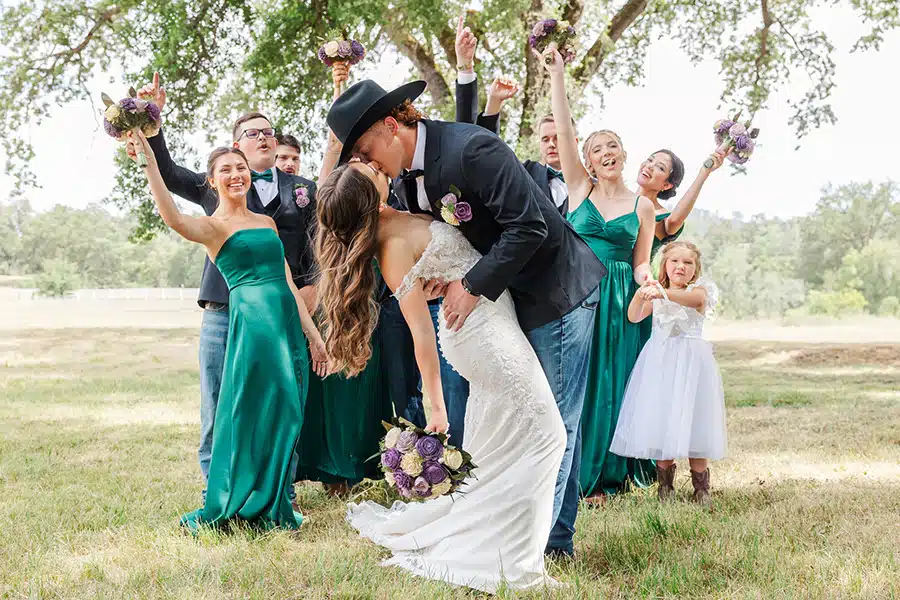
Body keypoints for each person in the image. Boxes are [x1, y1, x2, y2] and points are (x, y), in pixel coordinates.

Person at [325, 73, 605, 562]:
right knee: (533, 421)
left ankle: (548, 546)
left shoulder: (471, 149)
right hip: (502, 305)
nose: (366, 165)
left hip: (554, 291)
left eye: (366, 152)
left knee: (557, 420)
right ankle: (529, 540)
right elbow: (439, 241)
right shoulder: (402, 185)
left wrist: (471, 283)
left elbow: (530, 225)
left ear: (392, 126)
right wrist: (438, 272)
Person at [316, 160, 565, 593]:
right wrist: (435, 403)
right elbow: (420, 330)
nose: (371, 163)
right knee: (548, 435)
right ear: (370, 198)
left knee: (496, 445)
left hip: (493, 316)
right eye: (365, 169)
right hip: (479, 335)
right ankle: (517, 560)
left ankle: (493, 544)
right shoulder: (391, 246)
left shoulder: (401, 209)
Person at [129, 74, 319, 506]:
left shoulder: (301, 190)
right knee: (217, 405)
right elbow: (171, 182)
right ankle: (216, 487)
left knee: (278, 401)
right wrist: (151, 136)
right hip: (222, 310)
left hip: (276, 316)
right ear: (235, 146)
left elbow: (312, 253)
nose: (264, 138)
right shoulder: (214, 185)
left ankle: (278, 489)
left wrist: (312, 300)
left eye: (270, 131)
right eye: (253, 133)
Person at [538, 46, 657, 504]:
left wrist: (647, 281)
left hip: (625, 299)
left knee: (619, 378)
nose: (605, 152)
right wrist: (558, 78)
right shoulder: (579, 189)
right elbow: (564, 131)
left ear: (624, 154)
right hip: (580, 291)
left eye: (612, 146)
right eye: (597, 148)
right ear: (587, 161)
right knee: (580, 380)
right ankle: (578, 473)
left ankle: (615, 473)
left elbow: (643, 257)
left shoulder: (643, 205)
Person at [611, 241, 726, 506]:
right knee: (663, 419)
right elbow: (634, 317)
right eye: (674, 261)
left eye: (688, 263)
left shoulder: (700, 290)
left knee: (697, 420)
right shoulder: (655, 293)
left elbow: (695, 301)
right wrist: (641, 295)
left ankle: (701, 488)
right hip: (660, 362)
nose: (681, 266)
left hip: (693, 363)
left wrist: (660, 292)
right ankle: (665, 486)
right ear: (665, 265)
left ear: (695, 269)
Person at [636, 148, 725, 259]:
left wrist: (704, 172)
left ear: (667, 185)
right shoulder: (615, 200)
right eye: (650, 160)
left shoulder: (661, 218)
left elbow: (675, 220)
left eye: (660, 167)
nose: (650, 166)